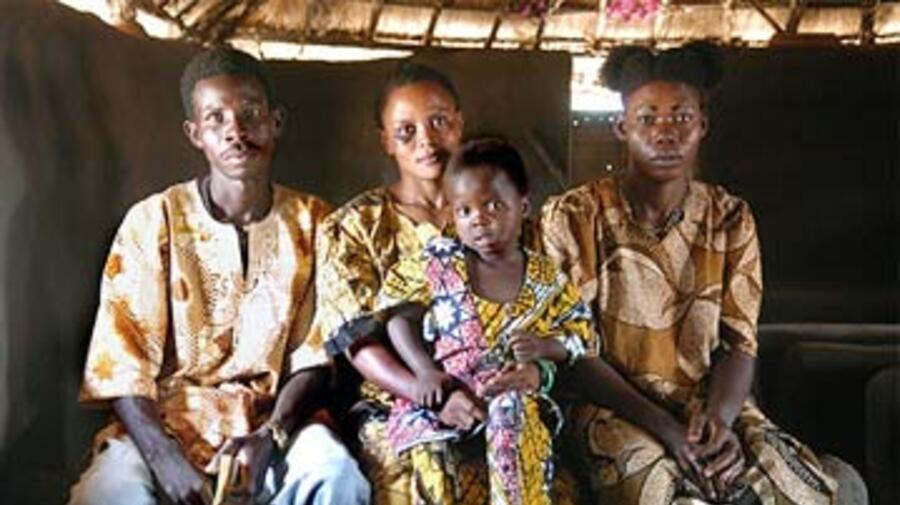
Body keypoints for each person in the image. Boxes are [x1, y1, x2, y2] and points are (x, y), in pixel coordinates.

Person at [67, 47, 370, 505]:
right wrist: (165, 458)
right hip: (166, 425)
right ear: (195, 134)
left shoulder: (315, 222)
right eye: (216, 119)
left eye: (250, 113)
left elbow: (313, 359)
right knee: (108, 492)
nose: (236, 131)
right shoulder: (154, 220)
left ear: (276, 122)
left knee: (336, 476)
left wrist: (272, 435)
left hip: (274, 422)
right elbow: (123, 368)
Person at [541, 42, 838, 504]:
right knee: (663, 489)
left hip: (705, 407)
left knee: (798, 487)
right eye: (647, 118)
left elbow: (740, 343)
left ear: (703, 125)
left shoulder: (730, 217)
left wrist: (719, 423)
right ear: (621, 126)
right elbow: (575, 351)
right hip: (611, 410)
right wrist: (665, 428)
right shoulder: (574, 217)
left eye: (681, 117)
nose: (665, 133)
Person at [314, 63, 582, 504]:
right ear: (385, 140)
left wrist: (531, 373)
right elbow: (356, 340)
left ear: (459, 122)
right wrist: (431, 394)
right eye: (406, 131)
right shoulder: (353, 228)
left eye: (438, 122)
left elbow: (552, 317)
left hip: (505, 392)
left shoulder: (507, 220)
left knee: (554, 484)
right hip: (401, 402)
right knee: (416, 487)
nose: (426, 140)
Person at [371, 138, 597, 504]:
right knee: (429, 447)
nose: (479, 219)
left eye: (493, 205)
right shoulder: (440, 263)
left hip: (510, 396)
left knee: (513, 413)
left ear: (523, 207)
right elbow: (399, 320)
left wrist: (544, 349)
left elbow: (581, 337)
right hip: (446, 394)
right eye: (465, 211)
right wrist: (424, 371)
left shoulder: (547, 278)